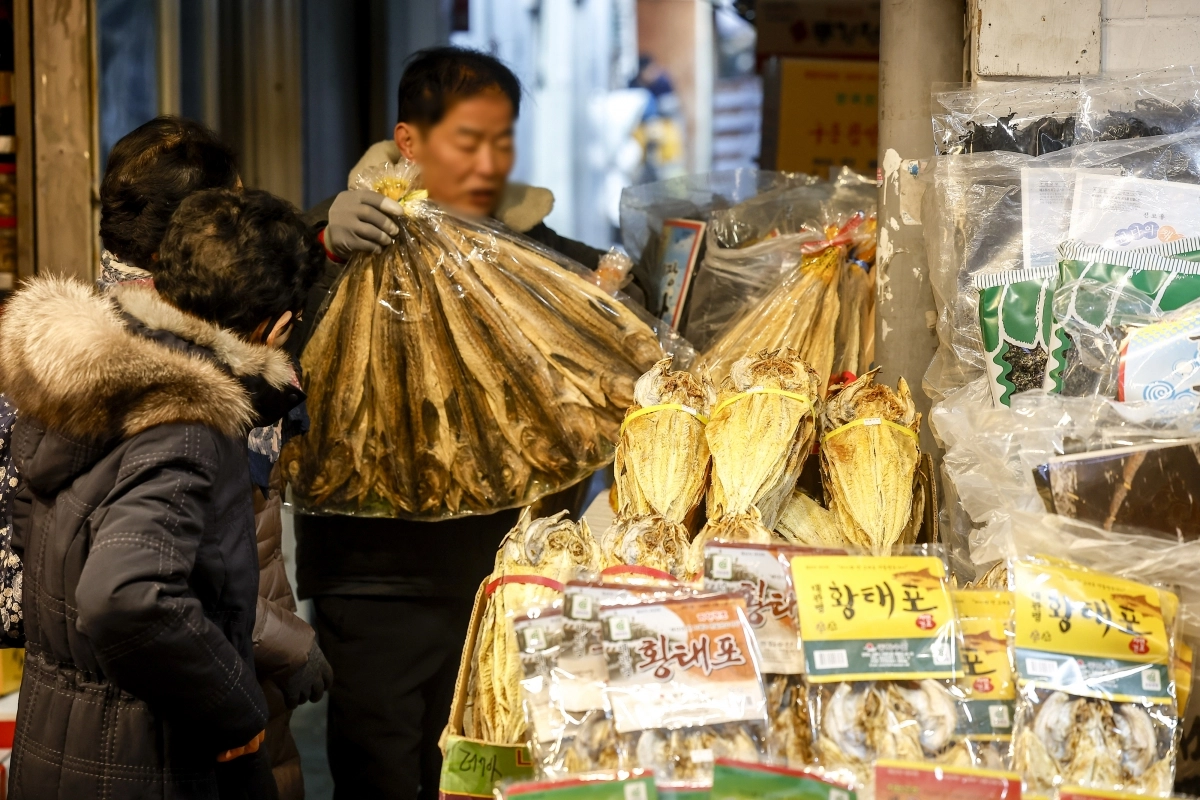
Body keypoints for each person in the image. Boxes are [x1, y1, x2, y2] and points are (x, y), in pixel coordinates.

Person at [291, 48, 609, 800]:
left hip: (500, 570)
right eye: (469, 141)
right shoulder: (341, 238)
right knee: (380, 771)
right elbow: (264, 315)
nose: (490, 163)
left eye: (503, 141)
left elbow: (617, 335)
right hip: (374, 575)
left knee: (481, 769)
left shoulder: (535, 249)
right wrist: (320, 245)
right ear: (409, 141)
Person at [0, 116, 331, 800]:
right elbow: (127, 595)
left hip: (71, 719)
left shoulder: (81, 352)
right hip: (158, 728)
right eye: (225, 209)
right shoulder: (185, 404)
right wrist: (235, 692)